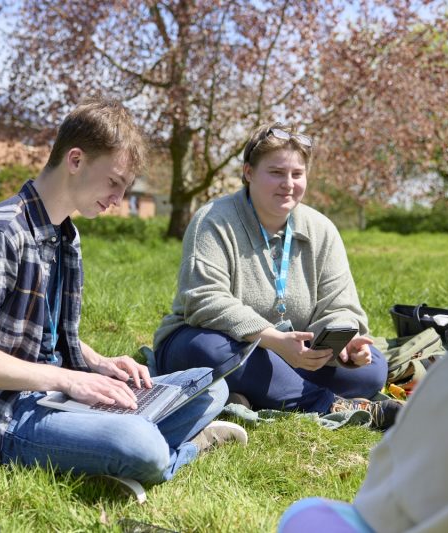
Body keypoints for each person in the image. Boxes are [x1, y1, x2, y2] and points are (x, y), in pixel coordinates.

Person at [0, 99, 246, 486]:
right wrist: (68, 381)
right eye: (114, 182)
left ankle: (111, 444)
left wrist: (95, 363)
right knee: (142, 446)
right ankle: (173, 450)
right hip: (1, 414)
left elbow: (41, 335)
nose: (117, 200)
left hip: (53, 391)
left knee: (212, 387)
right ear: (75, 160)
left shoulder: (64, 236)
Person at [152, 123, 400, 430]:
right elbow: (203, 298)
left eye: (297, 174)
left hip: (294, 354)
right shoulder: (213, 220)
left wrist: (345, 344)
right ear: (248, 173)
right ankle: (329, 405)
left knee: (371, 370)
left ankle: (248, 395)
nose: (289, 184)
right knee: (206, 351)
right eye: (276, 172)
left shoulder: (321, 229)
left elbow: (340, 304)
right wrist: (274, 340)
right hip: (218, 343)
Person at [278, 275, 448, 532]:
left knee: (304, 514)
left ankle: (314, 399)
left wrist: (343, 337)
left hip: (390, 516)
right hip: (245, 347)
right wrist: (270, 338)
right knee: (218, 351)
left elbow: (382, 505)